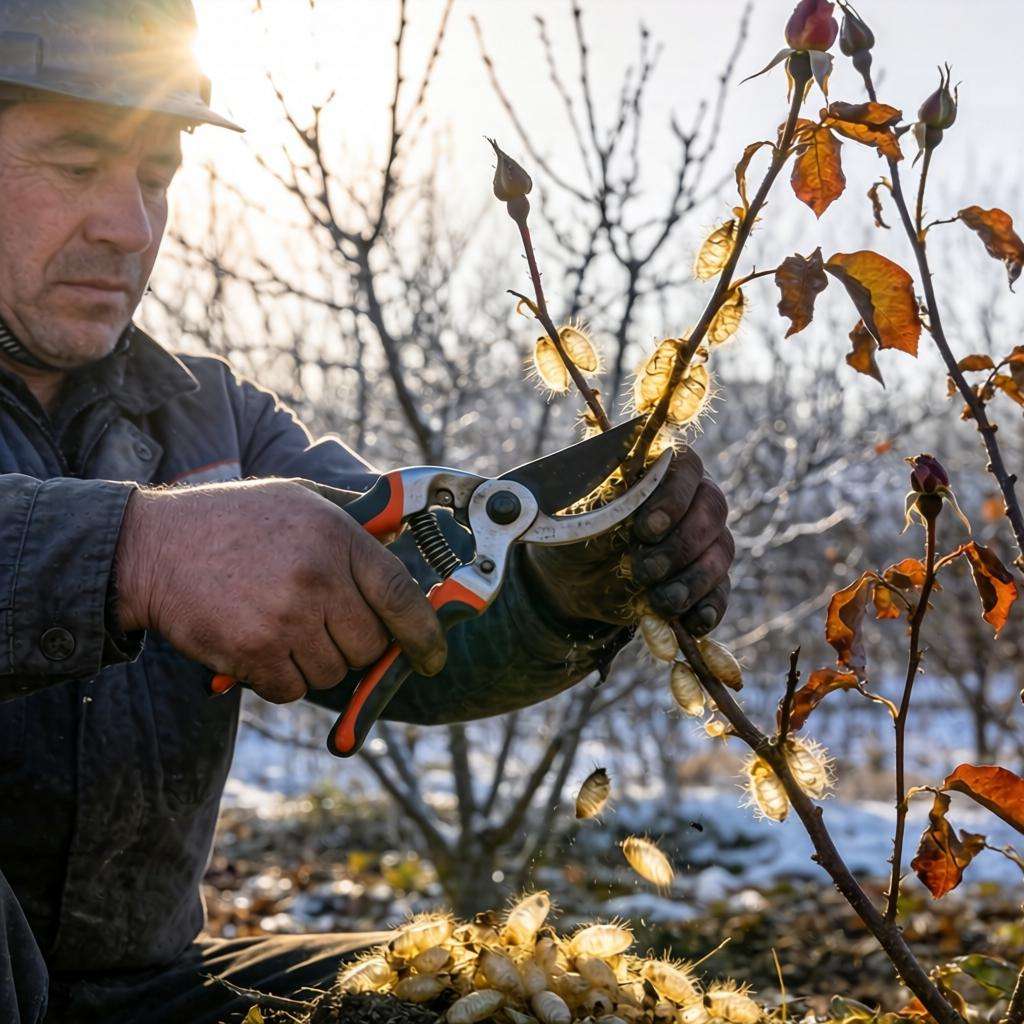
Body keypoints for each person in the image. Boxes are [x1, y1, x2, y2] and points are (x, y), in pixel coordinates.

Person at [0, 2, 735, 1021]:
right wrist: (138, 550)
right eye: (77, 165)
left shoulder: (211, 417)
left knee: (491, 997)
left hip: (139, 993)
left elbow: (408, 611)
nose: (128, 226)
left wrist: (568, 586)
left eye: (155, 177)